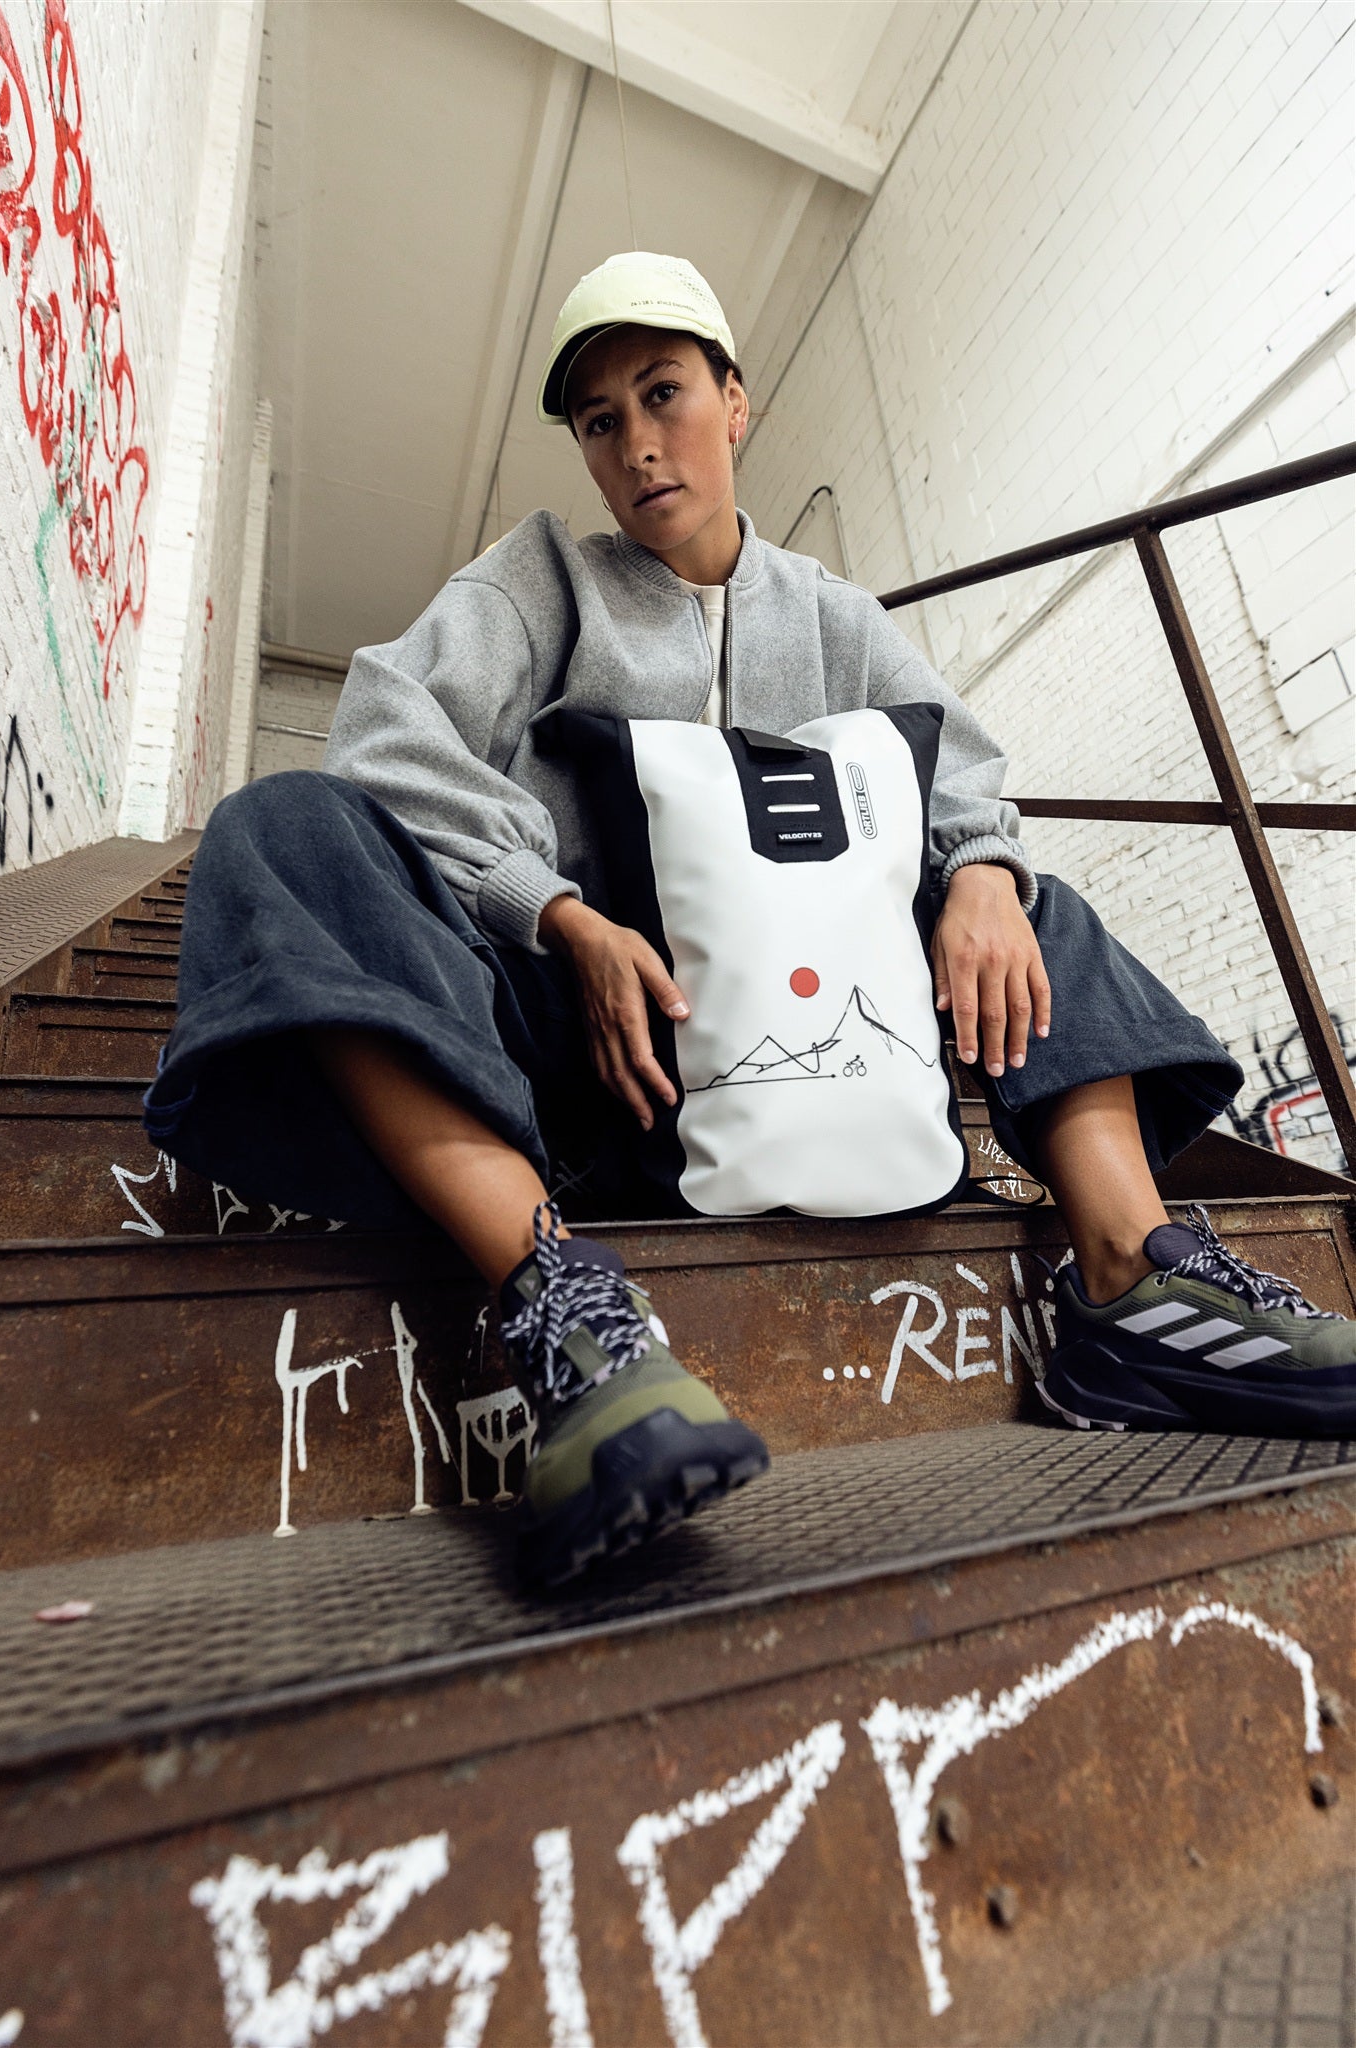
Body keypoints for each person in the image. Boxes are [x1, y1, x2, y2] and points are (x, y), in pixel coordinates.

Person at [146, 253, 1356, 1585]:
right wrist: (555, 912)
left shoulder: (834, 618)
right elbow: (383, 732)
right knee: (283, 825)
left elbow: (961, 772)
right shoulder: (538, 581)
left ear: (737, 404)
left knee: (1025, 903)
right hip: (612, 1059)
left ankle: (1131, 1282)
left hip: (826, 1053)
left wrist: (979, 879)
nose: (635, 443)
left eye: (662, 394)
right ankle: (567, 1315)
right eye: (598, 421)